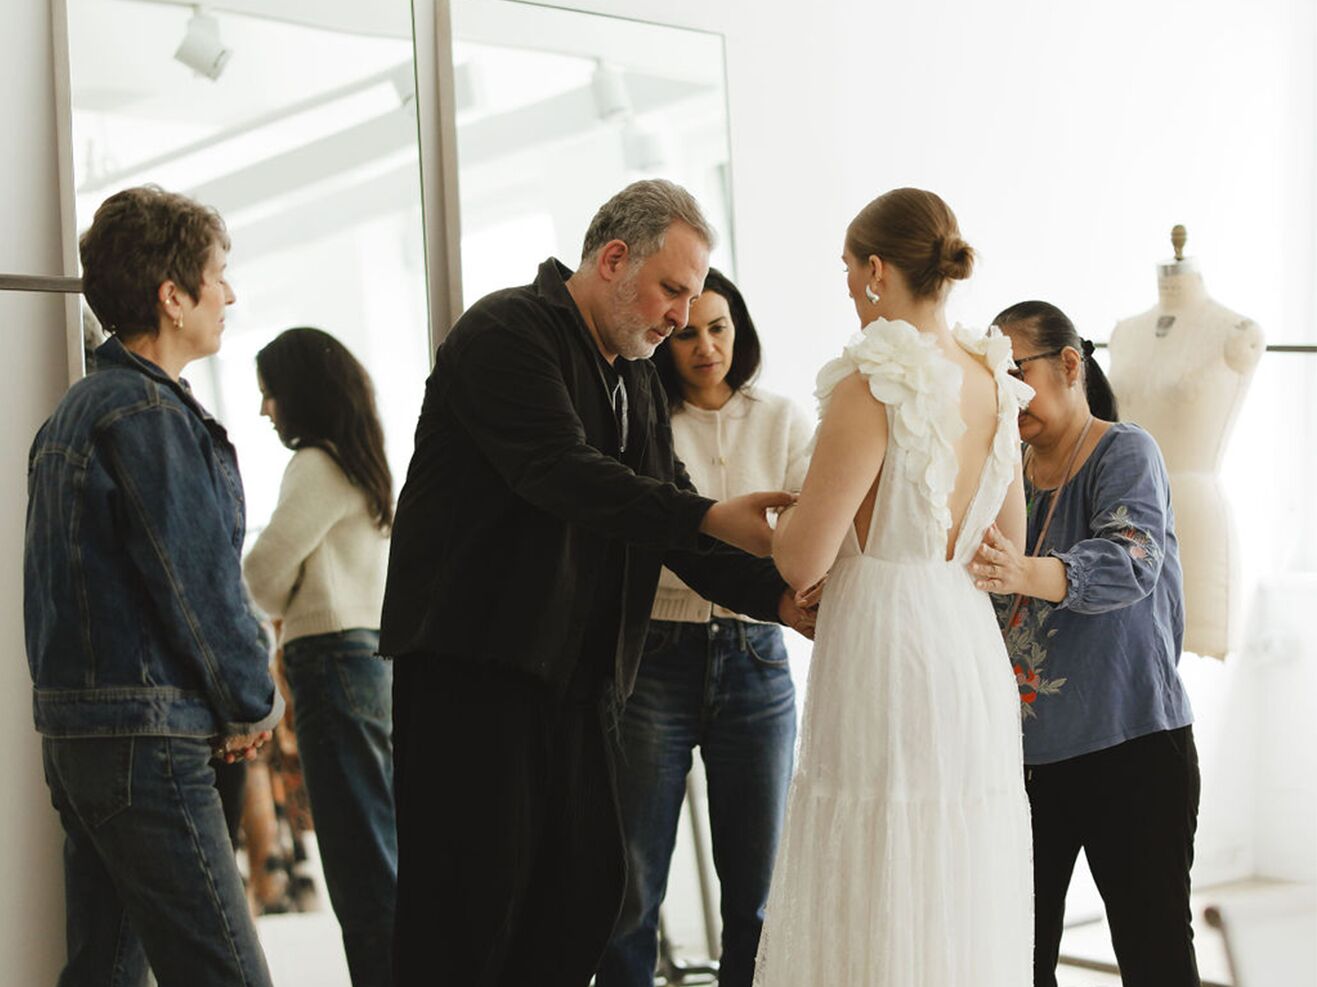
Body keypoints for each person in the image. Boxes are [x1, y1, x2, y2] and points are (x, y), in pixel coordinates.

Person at [380, 179, 814, 987]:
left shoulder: (636, 378)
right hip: (474, 669)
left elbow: (665, 515)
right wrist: (713, 517)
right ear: (614, 259)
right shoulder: (507, 331)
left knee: (582, 892)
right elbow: (560, 472)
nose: (681, 318)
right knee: (467, 909)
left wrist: (779, 600)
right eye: (672, 290)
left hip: (576, 681)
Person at [754, 188, 1035, 986]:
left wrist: (773, 522)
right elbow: (1005, 545)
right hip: (962, 641)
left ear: (876, 270)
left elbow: (800, 561)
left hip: (884, 644)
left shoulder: (870, 381)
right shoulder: (992, 378)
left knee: (875, 852)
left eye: (848, 269)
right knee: (948, 862)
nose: (846, 286)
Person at [24, 185, 281, 987]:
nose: (229, 293)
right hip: (148, 742)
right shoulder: (145, 413)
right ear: (172, 298)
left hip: (82, 739)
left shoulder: (74, 412)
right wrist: (251, 699)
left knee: (101, 971)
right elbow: (197, 587)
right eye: (217, 274)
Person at [971, 300, 1199, 987]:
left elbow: (1131, 557)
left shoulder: (1123, 449)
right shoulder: (1000, 470)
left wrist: (1022, 572)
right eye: (994, 384)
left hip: (1130, 748)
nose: (1007, 398)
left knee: (1153, 951)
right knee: (1016, 957)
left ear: (1069, 364)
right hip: (1024, 764)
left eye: (1017, 374)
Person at [597, 269, 812, 987]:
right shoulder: (641, 423)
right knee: (631, 884)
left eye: (717, 328)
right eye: (686, 332)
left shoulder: (782, 418)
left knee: (757, 889)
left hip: (757, 655)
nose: (704, 346)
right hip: (656, 651)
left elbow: (811, 528)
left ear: (738, 330)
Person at [243, 327, 397, 987]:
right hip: (365, 661)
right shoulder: (360, 461)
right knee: (380, 853)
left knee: (362, 870)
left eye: (269, 393)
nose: (264, 409)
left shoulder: (315, 463)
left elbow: (261, 576)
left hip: (332, 660)